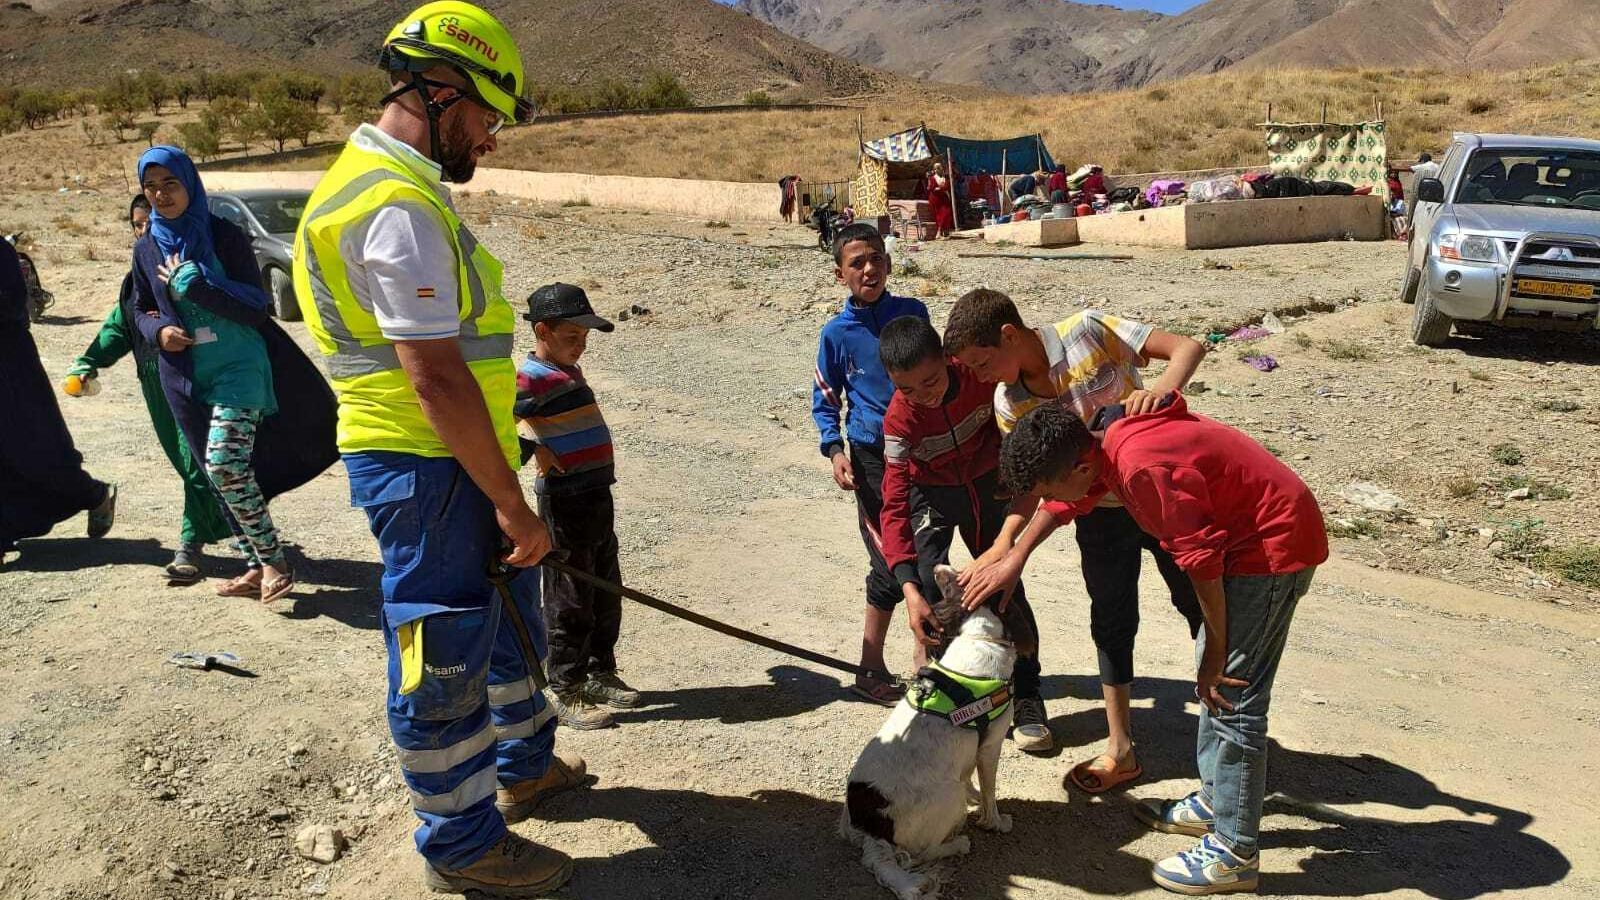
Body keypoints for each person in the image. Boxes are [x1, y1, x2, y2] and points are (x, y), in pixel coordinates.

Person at [292, 3, 584, 894]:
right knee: (444, 646)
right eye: (488, 116)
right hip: (427, 464)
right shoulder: (393, 206)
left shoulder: (398, 187)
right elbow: (436, 378)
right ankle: (461, 848)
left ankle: (524, 767)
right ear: (442, 91)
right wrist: (506, 500)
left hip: (460, 456)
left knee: (503, 624)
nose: (490, 139)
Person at [996, 396, 1327, 895]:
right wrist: (1012, 555)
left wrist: (1216, 651)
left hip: (1270, 546)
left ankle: (1234, 853)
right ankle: (1219, 803)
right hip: (1252, 536)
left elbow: (1202, 565)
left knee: (1232, 694)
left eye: (1048, 484)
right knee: (1215, 687)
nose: (1048, 497)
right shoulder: (1108, 446)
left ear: (1080, 466)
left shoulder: (1141, 471)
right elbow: (1068, 503)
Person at [948, 288, 1207, 770]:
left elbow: (1187, 348)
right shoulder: (1010, 403)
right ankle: (1120, 747)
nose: (981, 378)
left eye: (982, 364)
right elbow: (1033, 481)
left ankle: (1228, 728)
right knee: (1111, 622)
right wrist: (1004, 544)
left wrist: (1160, 393)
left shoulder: (1086, 331)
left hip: (1162, 493)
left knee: (1201, 605)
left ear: (1009, 335)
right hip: (1098, 513)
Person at [132, 146, 322, 604]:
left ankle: (274, 560)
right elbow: (141, 307)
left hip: (239, 367)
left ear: (189, 183)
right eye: (151, 187)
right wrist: (159, 332)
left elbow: (257, 307)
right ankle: (255, 564)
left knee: (224, 463)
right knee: (215, 473)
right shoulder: (147, 246)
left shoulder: (224, 235)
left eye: (170, 184)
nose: (160, 195)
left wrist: (199, 284)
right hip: (185, 377)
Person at [876, 316, 1046, 738]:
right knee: (933, 590)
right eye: (907, 389)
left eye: (931, 382)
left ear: (948, 362)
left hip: (989, 484)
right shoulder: (899, 422)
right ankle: (954, 694)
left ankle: (1025, 695)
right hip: (932, 493)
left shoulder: (978, 374)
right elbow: (895, 503)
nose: (923, 397)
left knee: (1003, 585)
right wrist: (908, 590)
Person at [66, 195, 231, 582]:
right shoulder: (136, 278)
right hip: (157, 386)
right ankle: (238, 529)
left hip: (200, 380)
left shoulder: (196, 268)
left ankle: (190, 545)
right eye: (137, 225)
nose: (144, 231)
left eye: (149, 222)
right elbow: (119, 327)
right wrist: (89, 362)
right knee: (187, 462)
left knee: (197, 462)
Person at [811, 221, 930, 706]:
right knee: (888, 560)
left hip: (922, 451)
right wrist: (835, 450)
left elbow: (935, 373)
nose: (869, 269)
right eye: (857, 262)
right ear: (840, 274)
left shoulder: (913, 313)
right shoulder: (836, 334)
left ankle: (925, 665)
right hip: (871, 459)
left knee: (927, 553)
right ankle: (869, 666)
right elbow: (825, 399)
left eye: (876, 258)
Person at [513, 282, 635, 731]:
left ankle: (600, 671)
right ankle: (565, 687)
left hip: (596, 496)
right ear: (542, 330)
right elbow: (494, 428)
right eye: (571, 338)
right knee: (569, 596)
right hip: (564, 503)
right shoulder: (529, 378)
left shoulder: (567, 373)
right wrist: (533, 452)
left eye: (584, 340)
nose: (580, 347)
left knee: (606, 588)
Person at [0, 237, 116, 564]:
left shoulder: (2, 253)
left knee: (34, 451)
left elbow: (12, 305)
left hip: (10, 368)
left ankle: (94, 495)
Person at [926, 162, 955, 237]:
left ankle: (945, 230)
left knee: (947, 213)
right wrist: (940, 188)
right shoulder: (932, 178)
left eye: (939, 168)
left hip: (944, 198)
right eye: (936, 168)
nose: (937, 170)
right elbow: (932, 188)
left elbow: (947, 187)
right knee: (939, 215)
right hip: (936, 199)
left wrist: (940, 188)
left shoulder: (945, 178)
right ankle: (939, 231)